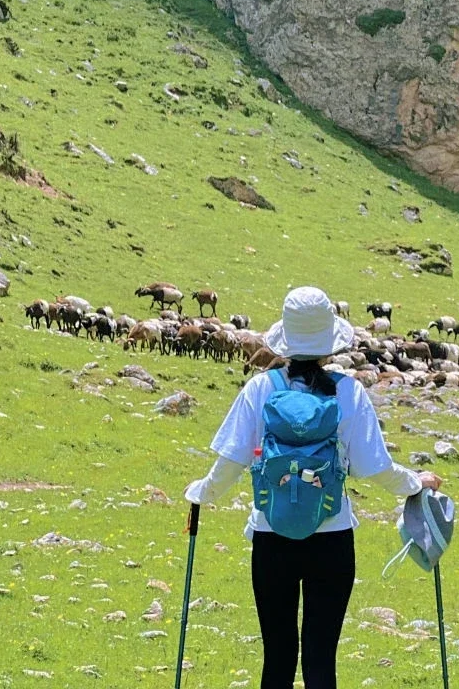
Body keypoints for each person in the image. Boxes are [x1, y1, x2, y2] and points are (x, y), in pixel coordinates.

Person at [184, 286, 441, 689]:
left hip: (272, 538)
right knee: (321, 659)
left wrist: (201, 492)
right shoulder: (349, 391)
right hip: (332, 540)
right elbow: (375, 467)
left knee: (278, 657)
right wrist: (416, 483)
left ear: (285, 340)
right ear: (329, 344)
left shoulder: (260, 389)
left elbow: (231, 463)